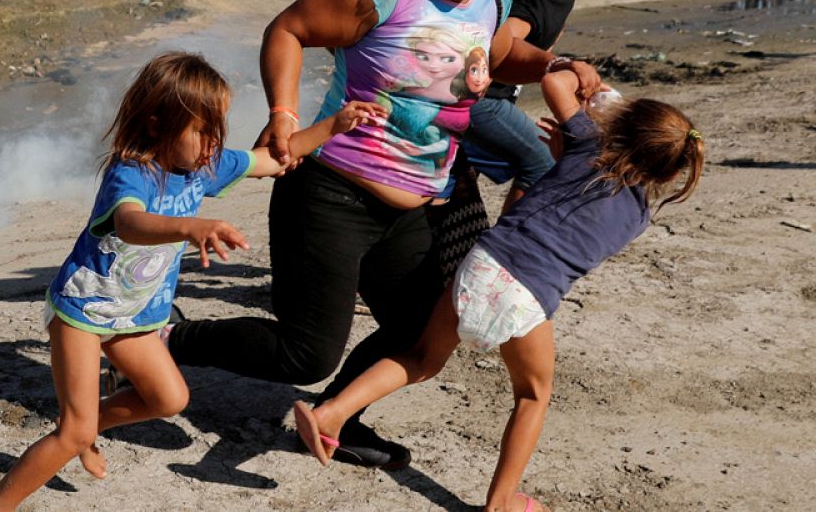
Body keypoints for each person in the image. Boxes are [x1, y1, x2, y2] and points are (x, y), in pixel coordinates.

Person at [164, 0, 602, 472]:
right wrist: (284, 115)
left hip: (415, 206)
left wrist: (556, 61)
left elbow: (498, 57)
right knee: (304, 354)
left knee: (424, 333)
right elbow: (288, 30)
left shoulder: (489, 3)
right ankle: (169, 340)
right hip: (329, 193)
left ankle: (338, 417)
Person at [0, 52, 384, 512]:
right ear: (155, 126)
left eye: (217, 130)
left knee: (169, 398)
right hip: (82, 313)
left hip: (135, 316)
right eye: (201, 131)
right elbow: (130, 223)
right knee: (71, 433)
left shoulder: (203, 166)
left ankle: (91, 425)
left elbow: (271, 159)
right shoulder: (131, 174)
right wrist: (191, 228)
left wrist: (334, 126)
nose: (212, 144)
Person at [293, 76, 703, 512]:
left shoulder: (586, 144)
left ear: (619, 127)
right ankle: (502, 502)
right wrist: (578, 145)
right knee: (532, 396)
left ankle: (331, 413)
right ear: (672, 173)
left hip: (482, 264)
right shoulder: (638, 216)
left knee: (421, 360)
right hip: (528, 296)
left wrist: (593, 88)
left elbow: (555, 82)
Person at [464, 0, 612, 212]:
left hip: (444, 80)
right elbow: (503, 39)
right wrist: (560, 64)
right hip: (478, 96)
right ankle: (505, 250)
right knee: (544, 163)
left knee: (462, 176)